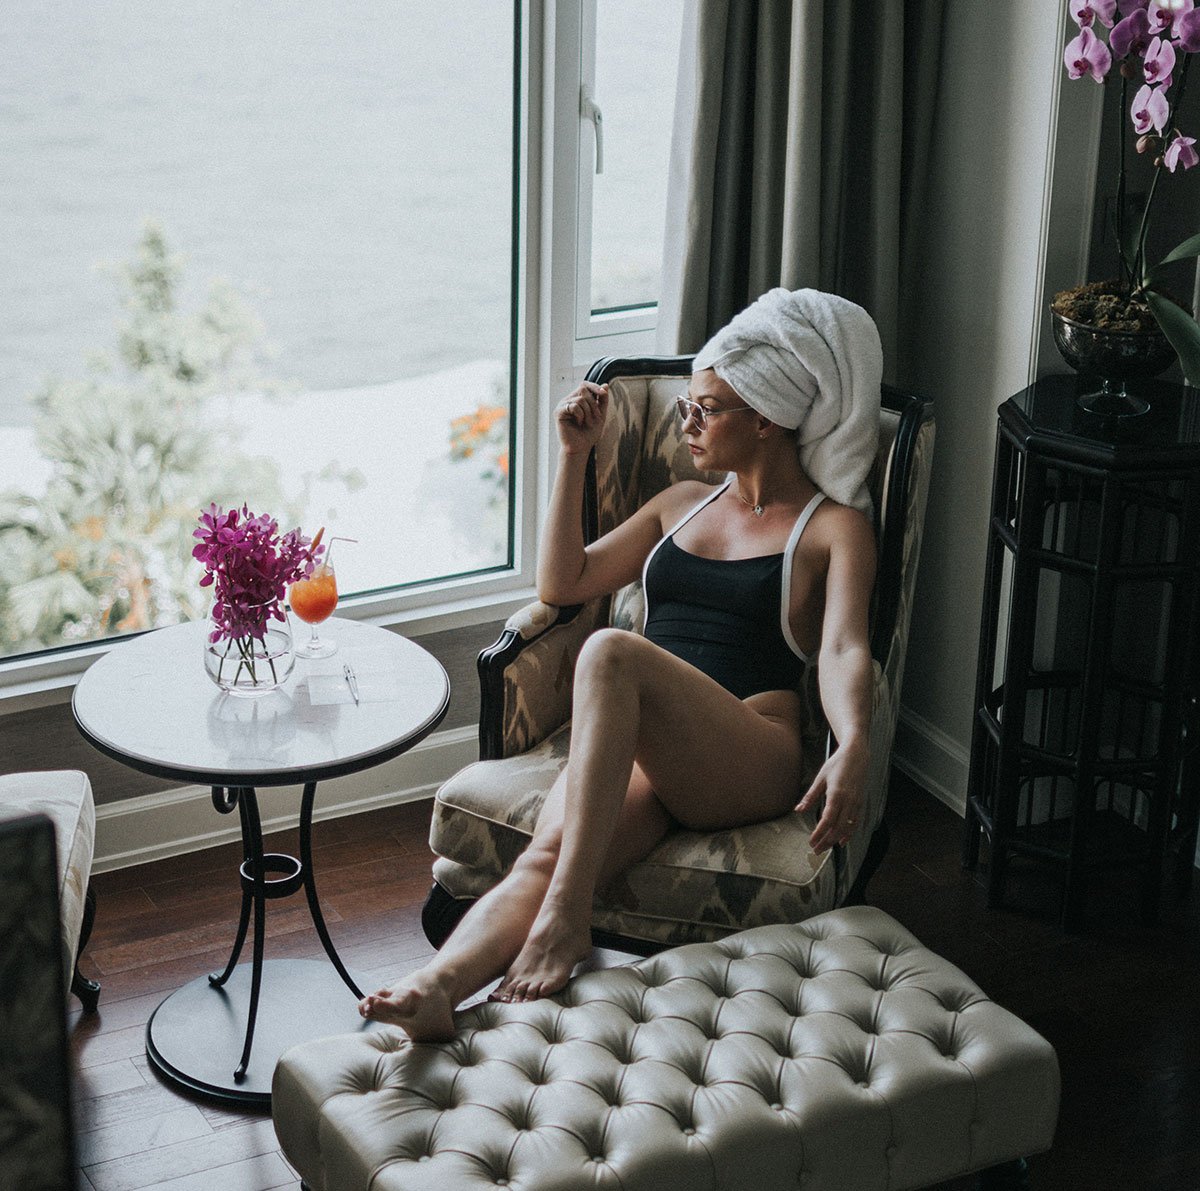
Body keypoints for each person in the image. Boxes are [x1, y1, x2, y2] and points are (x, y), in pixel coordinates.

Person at [359, 288, 882, 1041]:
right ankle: (437, 987)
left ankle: (569, 918)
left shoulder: (832, 528)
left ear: (767, 418)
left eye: (706, 409)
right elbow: (562, 583)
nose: (687, 422)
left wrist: (854, 741)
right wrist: (574, 455)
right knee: (547, 853)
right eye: (688, 406)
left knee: (610, 650)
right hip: (645, 748)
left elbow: (842, 647)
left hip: (749, 750)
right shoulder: (681, 503)